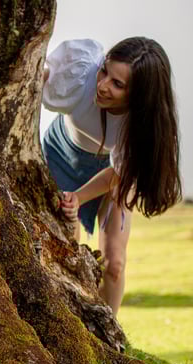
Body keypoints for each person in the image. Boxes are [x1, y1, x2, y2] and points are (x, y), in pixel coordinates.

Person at [41, 37, 182, 316]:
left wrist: (79, 197)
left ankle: (109, 340)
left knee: (114, 262)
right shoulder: (81, 75)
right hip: (62, 154)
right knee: (65, 248)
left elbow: (117, 175)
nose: (103, 85)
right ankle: (68, 325)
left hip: (112, 174)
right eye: (104, 71)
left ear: (139, 95)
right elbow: (31, 82)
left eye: (118, 84)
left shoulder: (141, 126)